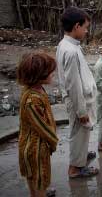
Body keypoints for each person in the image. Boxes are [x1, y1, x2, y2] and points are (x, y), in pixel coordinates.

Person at [56, 7, 99, 178]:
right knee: (78, 132)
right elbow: (73, 84)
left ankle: (80, 156)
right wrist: (81, 111)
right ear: (76, 27)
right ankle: (75, 168)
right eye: (85, 27)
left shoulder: (65, 44)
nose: (87, 31)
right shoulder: (71, 51)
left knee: (82, 133)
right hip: (77, 100)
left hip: (79, 98)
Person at [17, 52, 59, 197]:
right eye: (49, 72)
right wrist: (53, 142)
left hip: (30, 144)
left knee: (32, 176)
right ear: (38, 75)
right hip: (35, 147)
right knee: (40, 178)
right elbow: (42, 128)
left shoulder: (35, 89)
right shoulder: (32, 100)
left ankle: (34, 194)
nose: (53, 74)